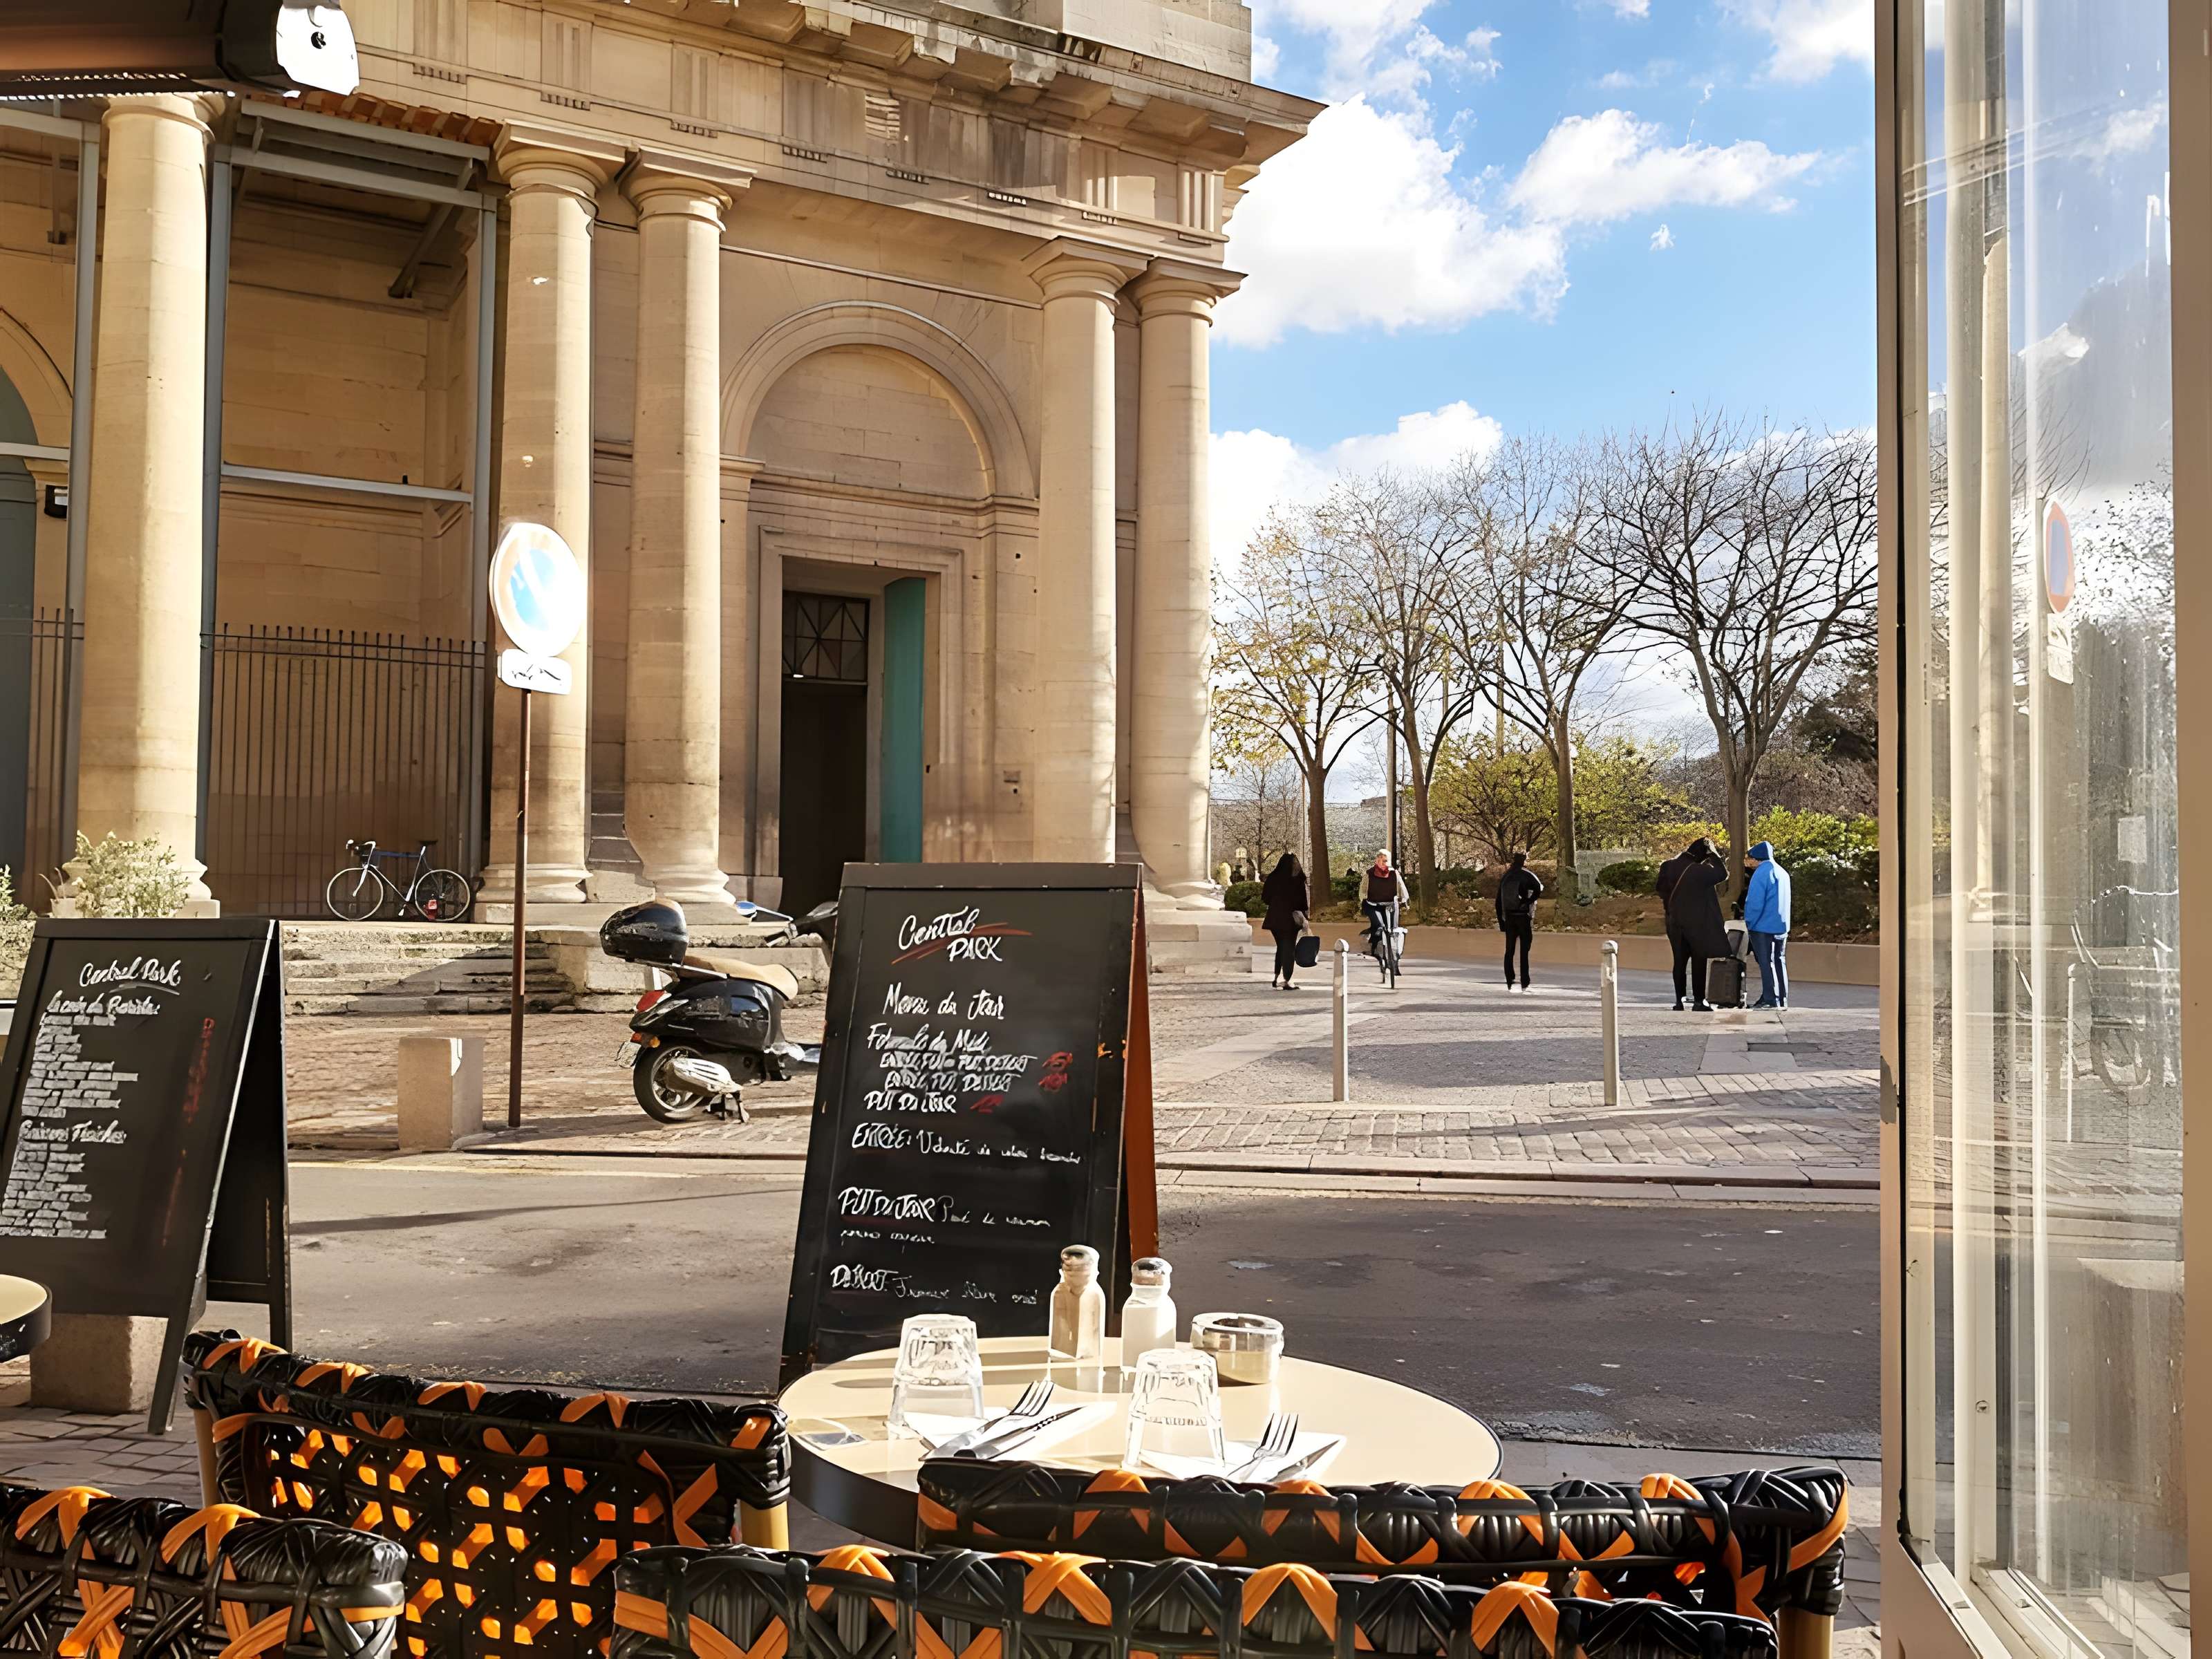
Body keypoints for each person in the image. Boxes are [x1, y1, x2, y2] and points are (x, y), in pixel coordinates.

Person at [1660, 836, 1731, 1011]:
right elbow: (1723, 874)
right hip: (1696, 922)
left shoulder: (1667, 866)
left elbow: (1660, 889)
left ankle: (1679, 1000)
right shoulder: (1700, 871)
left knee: (1679, 960)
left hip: (1674, 921)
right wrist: (1714, 855)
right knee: (1699, 959)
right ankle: (1699, 1001)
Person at [1743, 840, 1793, 1009]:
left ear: (1757, 859)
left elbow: (1755, 903)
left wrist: (1749, 923)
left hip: (1763, 927)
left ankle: (1770, 999)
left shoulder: (1761, 873)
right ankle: (1781, 998)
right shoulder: (1782, 872)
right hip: (1781, 926)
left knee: (1766, 963)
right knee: (1780, 961)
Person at [1260, 852, 1311, 990]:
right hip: (1290, 918)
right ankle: (1287, 979)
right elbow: (1302, 902)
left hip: (1275, 917)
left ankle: (1277, 977)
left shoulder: (1273, 878)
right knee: (1289, 949)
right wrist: (1304, 916)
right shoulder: (1297, 879)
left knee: (1282, 947)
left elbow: (1265, 898)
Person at [1494, 852, 1542, 993]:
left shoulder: (1506, 876)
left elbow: (1498, 901)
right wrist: (1528, 901)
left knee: (1509, 950)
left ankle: (1510, 979)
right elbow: (1538, 889)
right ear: (1524, 861)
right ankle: (1525, 981)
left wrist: (1502, 922)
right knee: (1524, 950)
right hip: (1522, 916)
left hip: (1509, 918)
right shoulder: (1527, 874)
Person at [1362, 849, 1409, 959]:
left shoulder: (1394, 874)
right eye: (1381, 860)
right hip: (1373, 905)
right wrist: (1363, 900)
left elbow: (1402, 888)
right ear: (1376, 861)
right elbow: (1363, 891)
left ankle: (1393, 954)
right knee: (1380, 926)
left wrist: (1405, 900)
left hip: (1390, 905)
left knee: (1392, 928)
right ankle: (1374, 948)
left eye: (1386, 861)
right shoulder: (1369, 874)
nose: (1384, 863)